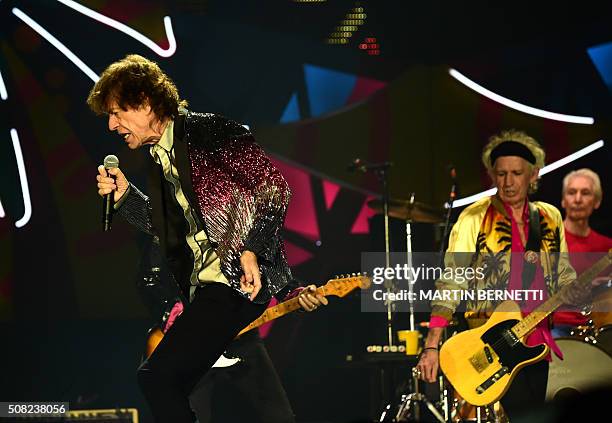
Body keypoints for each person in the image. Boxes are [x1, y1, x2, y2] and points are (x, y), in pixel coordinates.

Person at [89, 54, 327, 422]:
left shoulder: (207, 131)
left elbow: (274, 189)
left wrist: (251, 249)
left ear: (146, 103)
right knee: (175, 386)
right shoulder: (159, 158)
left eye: (118, 112)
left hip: (232, 283)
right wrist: (124, 196)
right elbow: (164, 229)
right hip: (202, 294)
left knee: (156, 377)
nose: (111, 125)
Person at [414, 130, 589, 420]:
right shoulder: (474, 217)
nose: (508, 182)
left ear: (533, 175)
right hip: (492, 342)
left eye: (516, 173)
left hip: (536, 341)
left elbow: (564, 274)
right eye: (501, 174)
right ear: (492, 175)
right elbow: (451, 281)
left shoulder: (550, 216)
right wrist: (432, 343)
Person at [552, 169, 612, 337]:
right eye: (572, 193)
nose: (578, 199)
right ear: (563, 201)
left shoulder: (607, 246)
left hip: (598, 329)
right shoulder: (548, 241)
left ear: (597, 201)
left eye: (585, 193)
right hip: (556, 327)